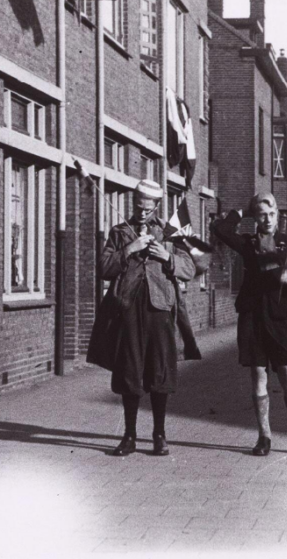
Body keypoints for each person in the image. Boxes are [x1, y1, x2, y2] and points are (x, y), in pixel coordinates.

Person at [86, 180, 195, 457]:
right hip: (128, 308)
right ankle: (129, 436)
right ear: (132, 203)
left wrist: (167, 256)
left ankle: (159, 435)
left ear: (157, 206)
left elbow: (190, 268)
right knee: (129, 372)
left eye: (148, 209)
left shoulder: (169, 233)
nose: (142, 212)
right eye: (138, 207)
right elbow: (103, 267)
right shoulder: (120, 232)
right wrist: (130, 248)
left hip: (160, 308)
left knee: (159, 371)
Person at [211, 193, 287, 458]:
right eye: (261, 214)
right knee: (258, 375)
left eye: (271, 214)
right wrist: (242, 211)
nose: (268, 219)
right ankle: (264, 437)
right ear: (255, 217)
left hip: (279, 319)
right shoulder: (248, 243)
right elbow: (220, 229)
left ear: (277, 216)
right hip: (253, 318)